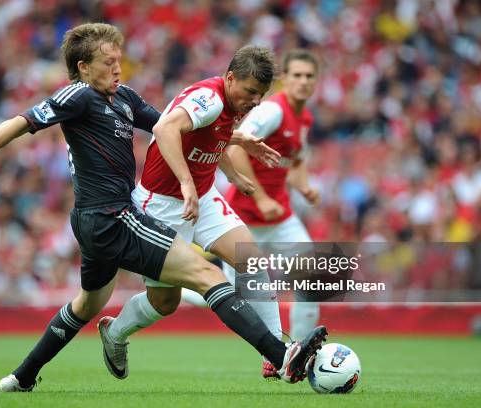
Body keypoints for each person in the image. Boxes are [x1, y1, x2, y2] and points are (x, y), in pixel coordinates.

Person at [0, 24, 327, 391]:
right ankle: (280, 354)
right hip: (117, 216)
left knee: (89, 305)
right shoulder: (77, 95)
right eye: (108, 62)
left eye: (119, 60)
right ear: (83, 67)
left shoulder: (124, 98)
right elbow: (22, 121)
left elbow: (174, 124)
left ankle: (22, 376)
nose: (119, 68)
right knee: (205, 274)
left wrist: (236, 141)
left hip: (110, 218)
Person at [97, 45, 319, 382]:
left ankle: (276, 354)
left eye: (260, 95)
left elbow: (213, 133)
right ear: (230, 79)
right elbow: (165, 129)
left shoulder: (229, 103)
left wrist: (231, 168)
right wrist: (186, 182)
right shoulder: (210, 97)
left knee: (252, 261)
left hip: (202, 197)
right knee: (164, 302)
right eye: (250, 92)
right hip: (161, 204)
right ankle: (115, 333)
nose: (255, 101)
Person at [223, 49, 321, 340]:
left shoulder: (304, 118)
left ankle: (302, 353)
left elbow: (295, 161)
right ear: (285, 80)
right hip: (245, 216)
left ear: (316, 81)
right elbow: (235, 148)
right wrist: (262, 198)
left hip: (279, 218)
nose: (303, 81)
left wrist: (303, 187)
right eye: (297, 75)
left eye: (309, 76)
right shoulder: (272, 111)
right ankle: (175, 288)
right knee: (228, 297)